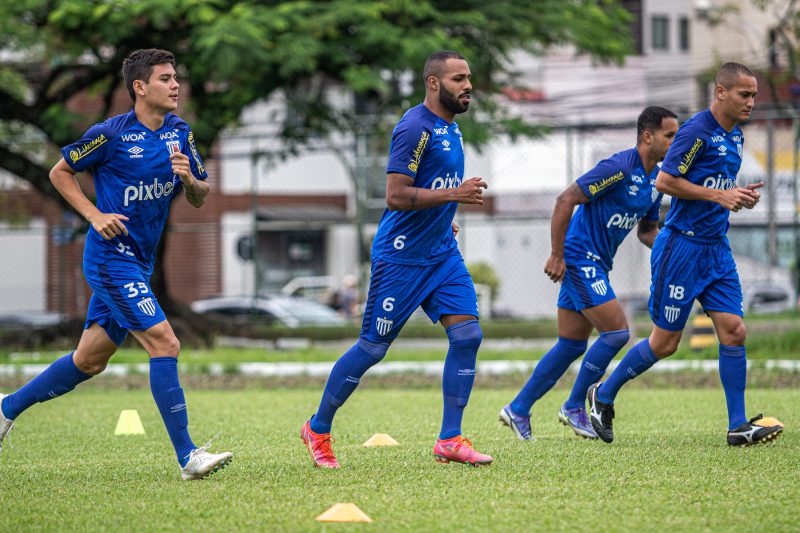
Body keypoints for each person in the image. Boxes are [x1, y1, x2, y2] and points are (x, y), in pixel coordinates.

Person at [0, 49, 232, 479]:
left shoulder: (181, 133)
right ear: (140, 88)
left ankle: (6, 408)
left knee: (89, 360)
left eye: (176, 77)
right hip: (110, 260)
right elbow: (59, 173)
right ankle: (188, 457)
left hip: (139, 263)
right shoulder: (110, 134)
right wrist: (93, 215)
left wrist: (189, 180)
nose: (176, 85)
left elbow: (200, 195)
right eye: (165, 78)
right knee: (166, 343)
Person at [300, 50, 493, 468]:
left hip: (441, 254)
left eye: (469, 78)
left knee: (468, 337)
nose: (468, 86)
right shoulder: (414, 127)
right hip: (401, 259)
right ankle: (317, 428)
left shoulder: (452, 130)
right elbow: (396, 195)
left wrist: (445, 215)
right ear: (434, 83)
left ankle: (450, 439)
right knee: (372, 349)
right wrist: (453, 196)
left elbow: (431, 188)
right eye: (459, 79)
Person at [587, 62, 784, 446]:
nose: (751, 102)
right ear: (721, 92)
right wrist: (720, 195)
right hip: (681, 246)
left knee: (734, 330)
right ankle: (603, 394)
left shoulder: (736, 137)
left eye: (754, 95)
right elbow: (665, 180)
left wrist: (737, 196)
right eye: (745, 94)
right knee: (665, 343)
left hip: (716, 249)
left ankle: (738, 425)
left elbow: (717, 186)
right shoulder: (696, 131)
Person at [499, 107, 679, 441]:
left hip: (597, 264)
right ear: (647, 136)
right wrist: (556, 253)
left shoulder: (657, 181)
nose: (675, 141)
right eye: (669, 135)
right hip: (580, 258)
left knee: (570, 345)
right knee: (616, 333)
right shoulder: (619, 167)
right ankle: (574, 406)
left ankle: (518, 409)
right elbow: (566, 198)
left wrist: (673, 250)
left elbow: (647, 231)